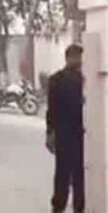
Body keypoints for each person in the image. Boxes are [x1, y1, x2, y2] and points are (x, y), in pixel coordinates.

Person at [46, 43, 85, 213]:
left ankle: (74, 207)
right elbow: (51, 109)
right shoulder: (57, 80)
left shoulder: (83, 80)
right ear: (69, 58)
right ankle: (60, 206)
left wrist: (50, 133)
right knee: (65, 174)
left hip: (78, 135)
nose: (80, 61)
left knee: (76, 175)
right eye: (77, 57)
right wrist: (50, 133)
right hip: (67, 134)